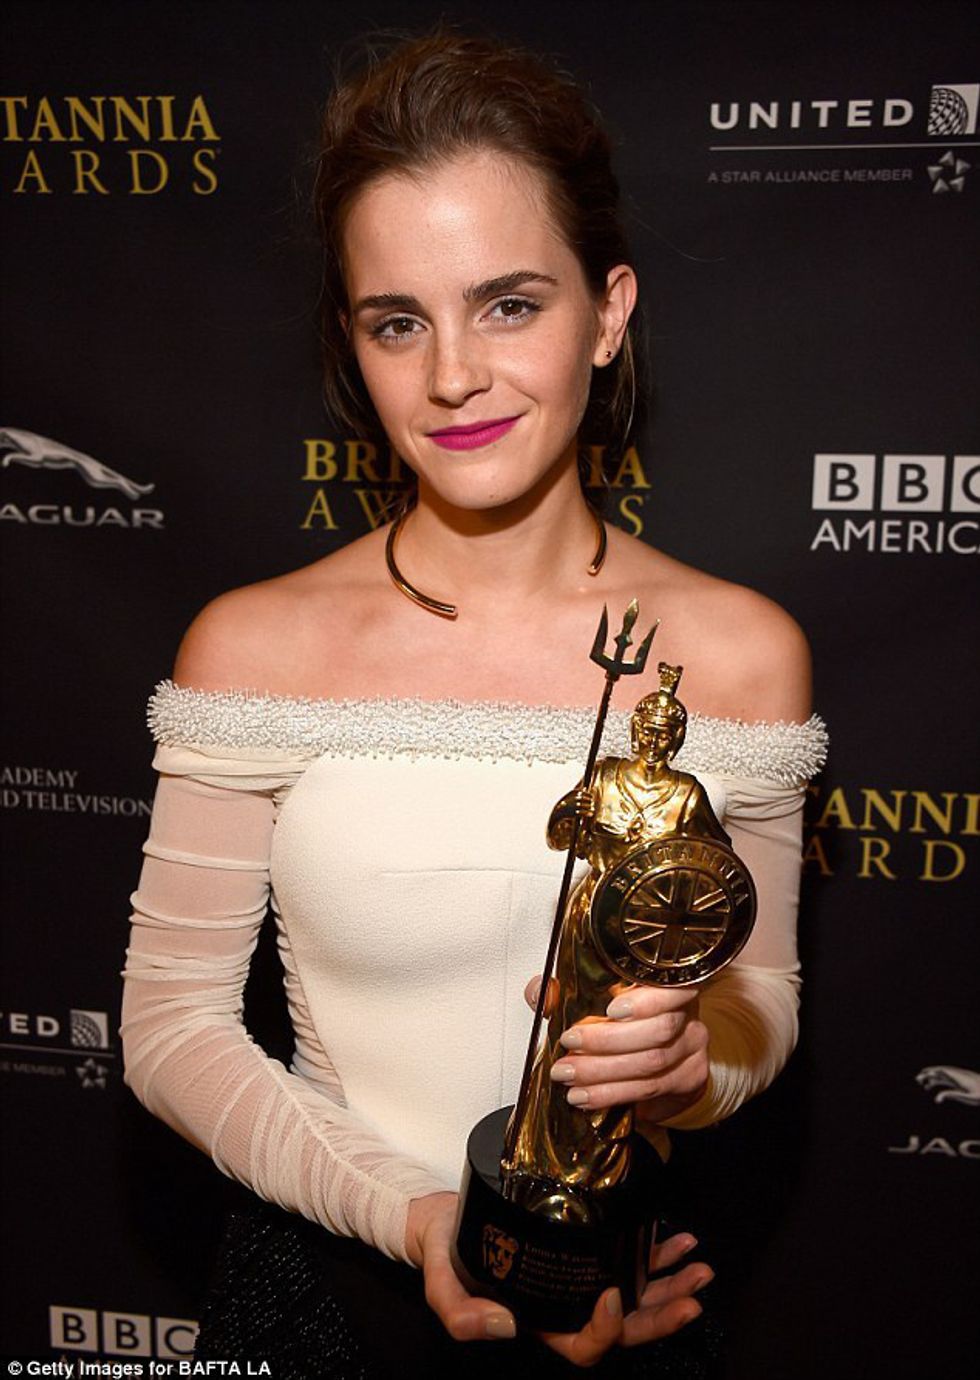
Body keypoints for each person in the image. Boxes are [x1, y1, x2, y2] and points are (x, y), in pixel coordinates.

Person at [121, 29, 827, 1378]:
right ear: (353, 342)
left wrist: (689, 1066)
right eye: (399, 321)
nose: (452, 375)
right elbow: (170, 1027)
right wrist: (416, 1218)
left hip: (616, 1301)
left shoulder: (741, 655)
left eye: (509, 305)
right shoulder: (253, 645)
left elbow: (763, 1001)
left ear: (607, 313)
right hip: (326, 1302)